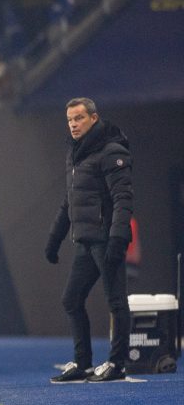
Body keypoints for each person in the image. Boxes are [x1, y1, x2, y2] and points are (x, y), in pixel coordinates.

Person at [46, 98, 133, 383]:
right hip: (85, 241)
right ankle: (83, 364)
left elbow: (122, 199)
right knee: (71, 299)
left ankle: (117, 364)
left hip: (106, 240)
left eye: (79, 118)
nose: (73, 123)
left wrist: (118, 238)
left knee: (116, 302)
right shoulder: (75, 153)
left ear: (94, 118)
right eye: (70, 119)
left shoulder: (110, 151)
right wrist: (54, 239)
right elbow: (70, 202)